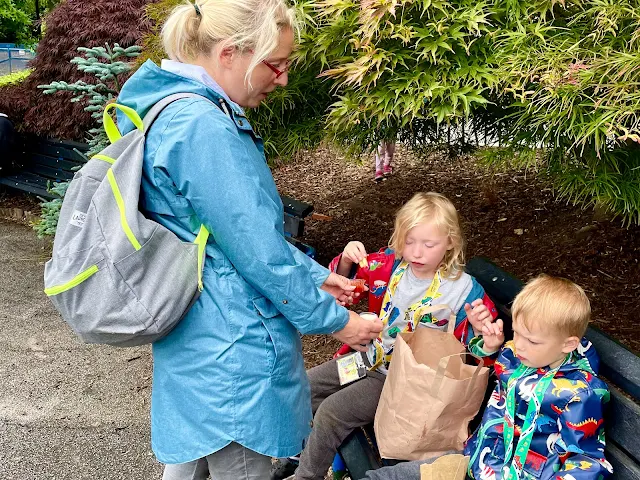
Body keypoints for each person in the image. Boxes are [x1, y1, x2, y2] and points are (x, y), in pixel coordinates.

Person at [114, 1, 383, 479]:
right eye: (275, 64)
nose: (281, 79)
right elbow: (257, 254)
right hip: (231, 349)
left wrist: (319, 278)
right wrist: (337, 322)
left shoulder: (171, 108)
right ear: (230, 53)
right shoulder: (203, 127)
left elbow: (225, 240)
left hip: (199, 339)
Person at [274, 192, 500, 480]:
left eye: (428, 244)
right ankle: (297, 453)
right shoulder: (391, 265)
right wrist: (346, 259)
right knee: (304, 386)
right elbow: (349, 286)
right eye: (409, 241)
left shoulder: (463, 290)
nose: (416, 252)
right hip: (366, 358)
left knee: (332, 412)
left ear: (450, 242)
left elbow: (473, 352)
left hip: (401, 382)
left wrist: (486, 339)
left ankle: (306, 475)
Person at [360, 274, 613, 480]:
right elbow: (479, 368)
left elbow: (585, 460)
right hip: (477, 457)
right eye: (517, 334)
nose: (520, 345)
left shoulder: (579, 394)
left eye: (532, 340)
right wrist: (489, 347)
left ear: (568, 345)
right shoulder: (517, 356)